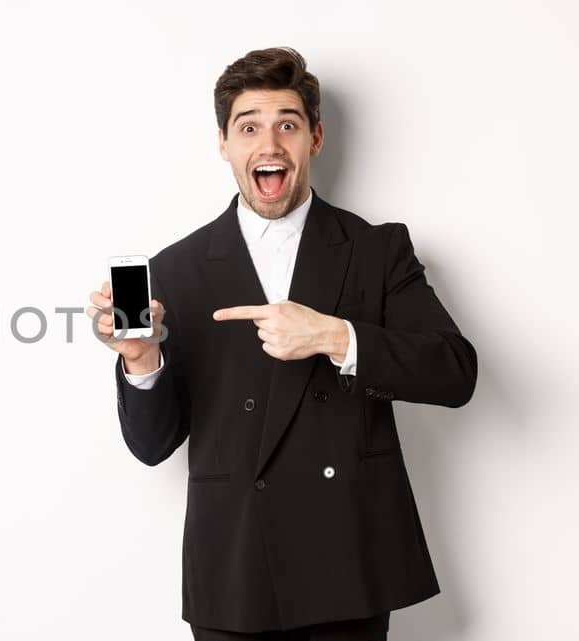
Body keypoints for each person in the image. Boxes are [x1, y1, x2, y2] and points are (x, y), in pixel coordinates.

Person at [85, 47, 477, 640]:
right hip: (234, 567)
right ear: (223, 143)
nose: (268, 145)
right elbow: (151, 444)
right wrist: (142, 360)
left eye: (287, 125)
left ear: (314, 138)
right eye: (249, 127)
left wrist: (331, 334)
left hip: (347, 560)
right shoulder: (178, 269)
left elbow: (455, 373)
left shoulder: (377, 250)